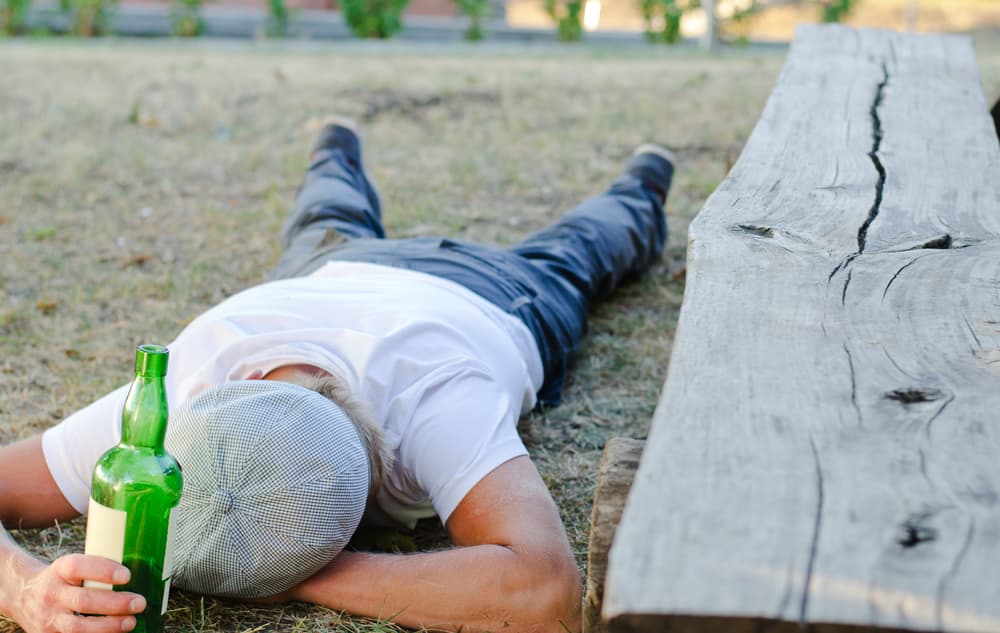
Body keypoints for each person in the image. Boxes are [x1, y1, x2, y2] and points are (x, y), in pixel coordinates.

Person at [0, 118, 675, 633]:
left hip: (490, 295)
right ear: (229, 387)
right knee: (326, 212)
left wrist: (295, 572)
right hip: (327, 273)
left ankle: (645, 181)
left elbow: (545, 591)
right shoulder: (185, 386)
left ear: (383, 476)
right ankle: (335, 142)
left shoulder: (435, 400)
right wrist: (26, 589)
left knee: (583, 248)